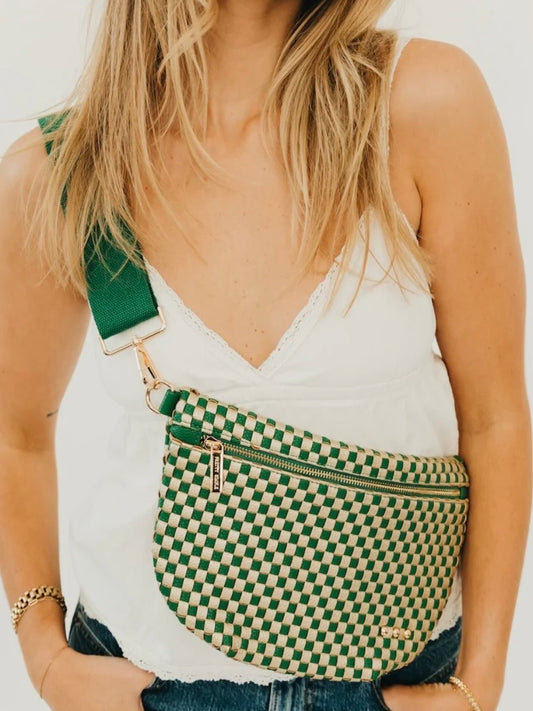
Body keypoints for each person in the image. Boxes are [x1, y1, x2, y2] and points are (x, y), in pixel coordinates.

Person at [0, 1, 530, 710]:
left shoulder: (423, 105)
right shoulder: (59, 173)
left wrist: (479, 686)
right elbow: (16, 434)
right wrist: (44, 657)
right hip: (144, 682)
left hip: (395, 682)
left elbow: (495, 416)